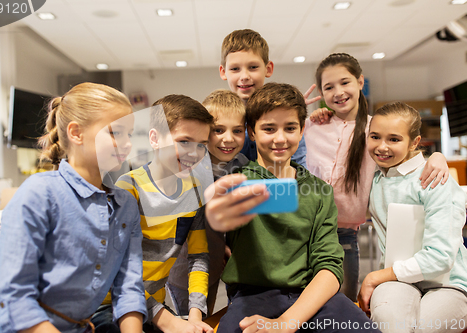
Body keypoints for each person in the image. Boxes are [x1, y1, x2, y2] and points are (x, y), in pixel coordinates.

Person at [0, 82, 146, 333]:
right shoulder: (40, 193)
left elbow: (129, 289)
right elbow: (14, 297)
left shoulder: (125, 205)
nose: (127, 143)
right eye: (116, 133)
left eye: (130, 133)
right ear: (76, 133)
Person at [217, 82, 381, 333]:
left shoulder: (319, 191)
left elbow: (328, 266)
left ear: (302, 129)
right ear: (251, 132)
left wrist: (286, 323)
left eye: (290, 128)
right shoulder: (236, 183)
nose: (280, 138)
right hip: (252, 297)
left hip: (314, 297)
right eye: (269, 129)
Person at [304, 53, 449, 301]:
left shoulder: (376, 130)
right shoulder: (312, 126)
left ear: (360, 82)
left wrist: (437, 158)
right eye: (329, 87)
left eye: (345, 82)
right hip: (305, 231)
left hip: (344, 235)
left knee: (345, 303)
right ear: (322, 92)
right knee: (303, 301)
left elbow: (405, 158)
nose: (338, 92)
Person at [358, 101, 467, 333]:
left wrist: (374, 277)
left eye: (394, 139)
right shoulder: (376, 174)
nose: (382, 147)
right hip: (398, 281)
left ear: (414, 142)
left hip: (449, 284)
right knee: (390, 324)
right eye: (375, 136)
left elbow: (440, 257)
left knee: (424, 329)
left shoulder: (434, 179)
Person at [115, 95, 214, 333]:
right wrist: (168, 322)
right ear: (154, 138)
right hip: (115, 305)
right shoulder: (128, 188)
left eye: (201, 144)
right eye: (184, 141)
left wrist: (194, 316)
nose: (194, 153)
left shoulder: (195, 191)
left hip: (153, 308)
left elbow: (198, 257)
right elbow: (115, 270)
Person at [166, 89, 248, 317]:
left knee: (216, 317)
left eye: (237, 131)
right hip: (185, 267)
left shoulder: (242, 164)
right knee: (191, 315)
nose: (228, 138)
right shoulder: (186, 167)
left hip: (223, 262)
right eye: (218, 130)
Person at [218, 28, 320, 167]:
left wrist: (293, 111)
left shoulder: (287, 117)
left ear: (268, 69)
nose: (244, 77)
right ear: (223, 72)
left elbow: (299, 167)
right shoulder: (217, 117)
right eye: (235, 69)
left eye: (253, 67)